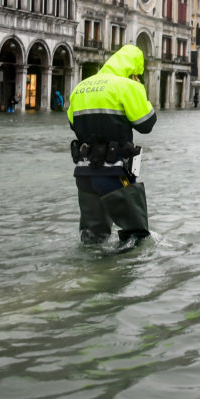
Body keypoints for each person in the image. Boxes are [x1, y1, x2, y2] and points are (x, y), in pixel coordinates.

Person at [67, 44, 157, 251]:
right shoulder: (128, 86)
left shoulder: (81, 87)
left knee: (92, 237)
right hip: (115, 174)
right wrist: (139, 90)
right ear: (134, 70)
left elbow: (73, 123)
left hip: (84, 174)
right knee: (135, 237)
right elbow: (147, 123)